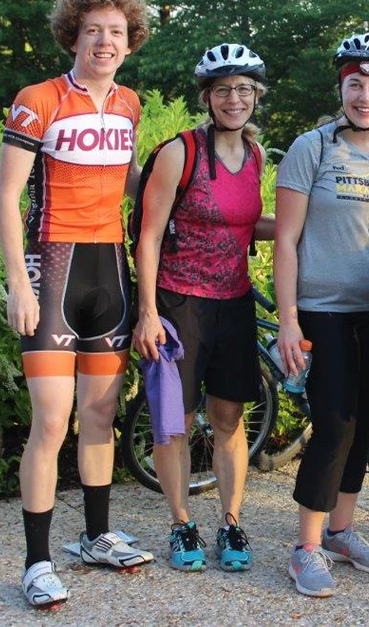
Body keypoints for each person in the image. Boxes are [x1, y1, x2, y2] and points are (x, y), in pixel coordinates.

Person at [0, 0, 154, 609]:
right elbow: (7, 195)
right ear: (74, 34)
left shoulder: (131, 104)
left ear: (129, 39)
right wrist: (16, 281)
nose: (105, 41)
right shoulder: (38, 98)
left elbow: (135, 182)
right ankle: (36, 562)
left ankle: (94, 536)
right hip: (51, 266)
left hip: (109, 267)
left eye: (116, 32)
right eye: (94, 31)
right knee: (51, 420)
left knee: (99, 416)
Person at [274, 32, 369, 597]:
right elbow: (285, 240)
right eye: (355, 84)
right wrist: (288, 318)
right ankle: (304, 547)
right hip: (322, 310)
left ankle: (341, 530)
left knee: (362, 423)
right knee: (333, 423)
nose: (365, 96)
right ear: (341, 87)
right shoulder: (313, 147)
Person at [132, 43, 275, 573]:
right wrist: (148, 312)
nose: (234, 99)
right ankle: (180, 522)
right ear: (207, 97)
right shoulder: (181, 153)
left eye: (243, 89)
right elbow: (148, 237)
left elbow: (244, 225)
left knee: (229, 417)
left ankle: (231, 521)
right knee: (176, 421)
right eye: (223, 90)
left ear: (255, 95)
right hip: (179, 301)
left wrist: (300, 230)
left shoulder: (257, 157)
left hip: (233, 301)